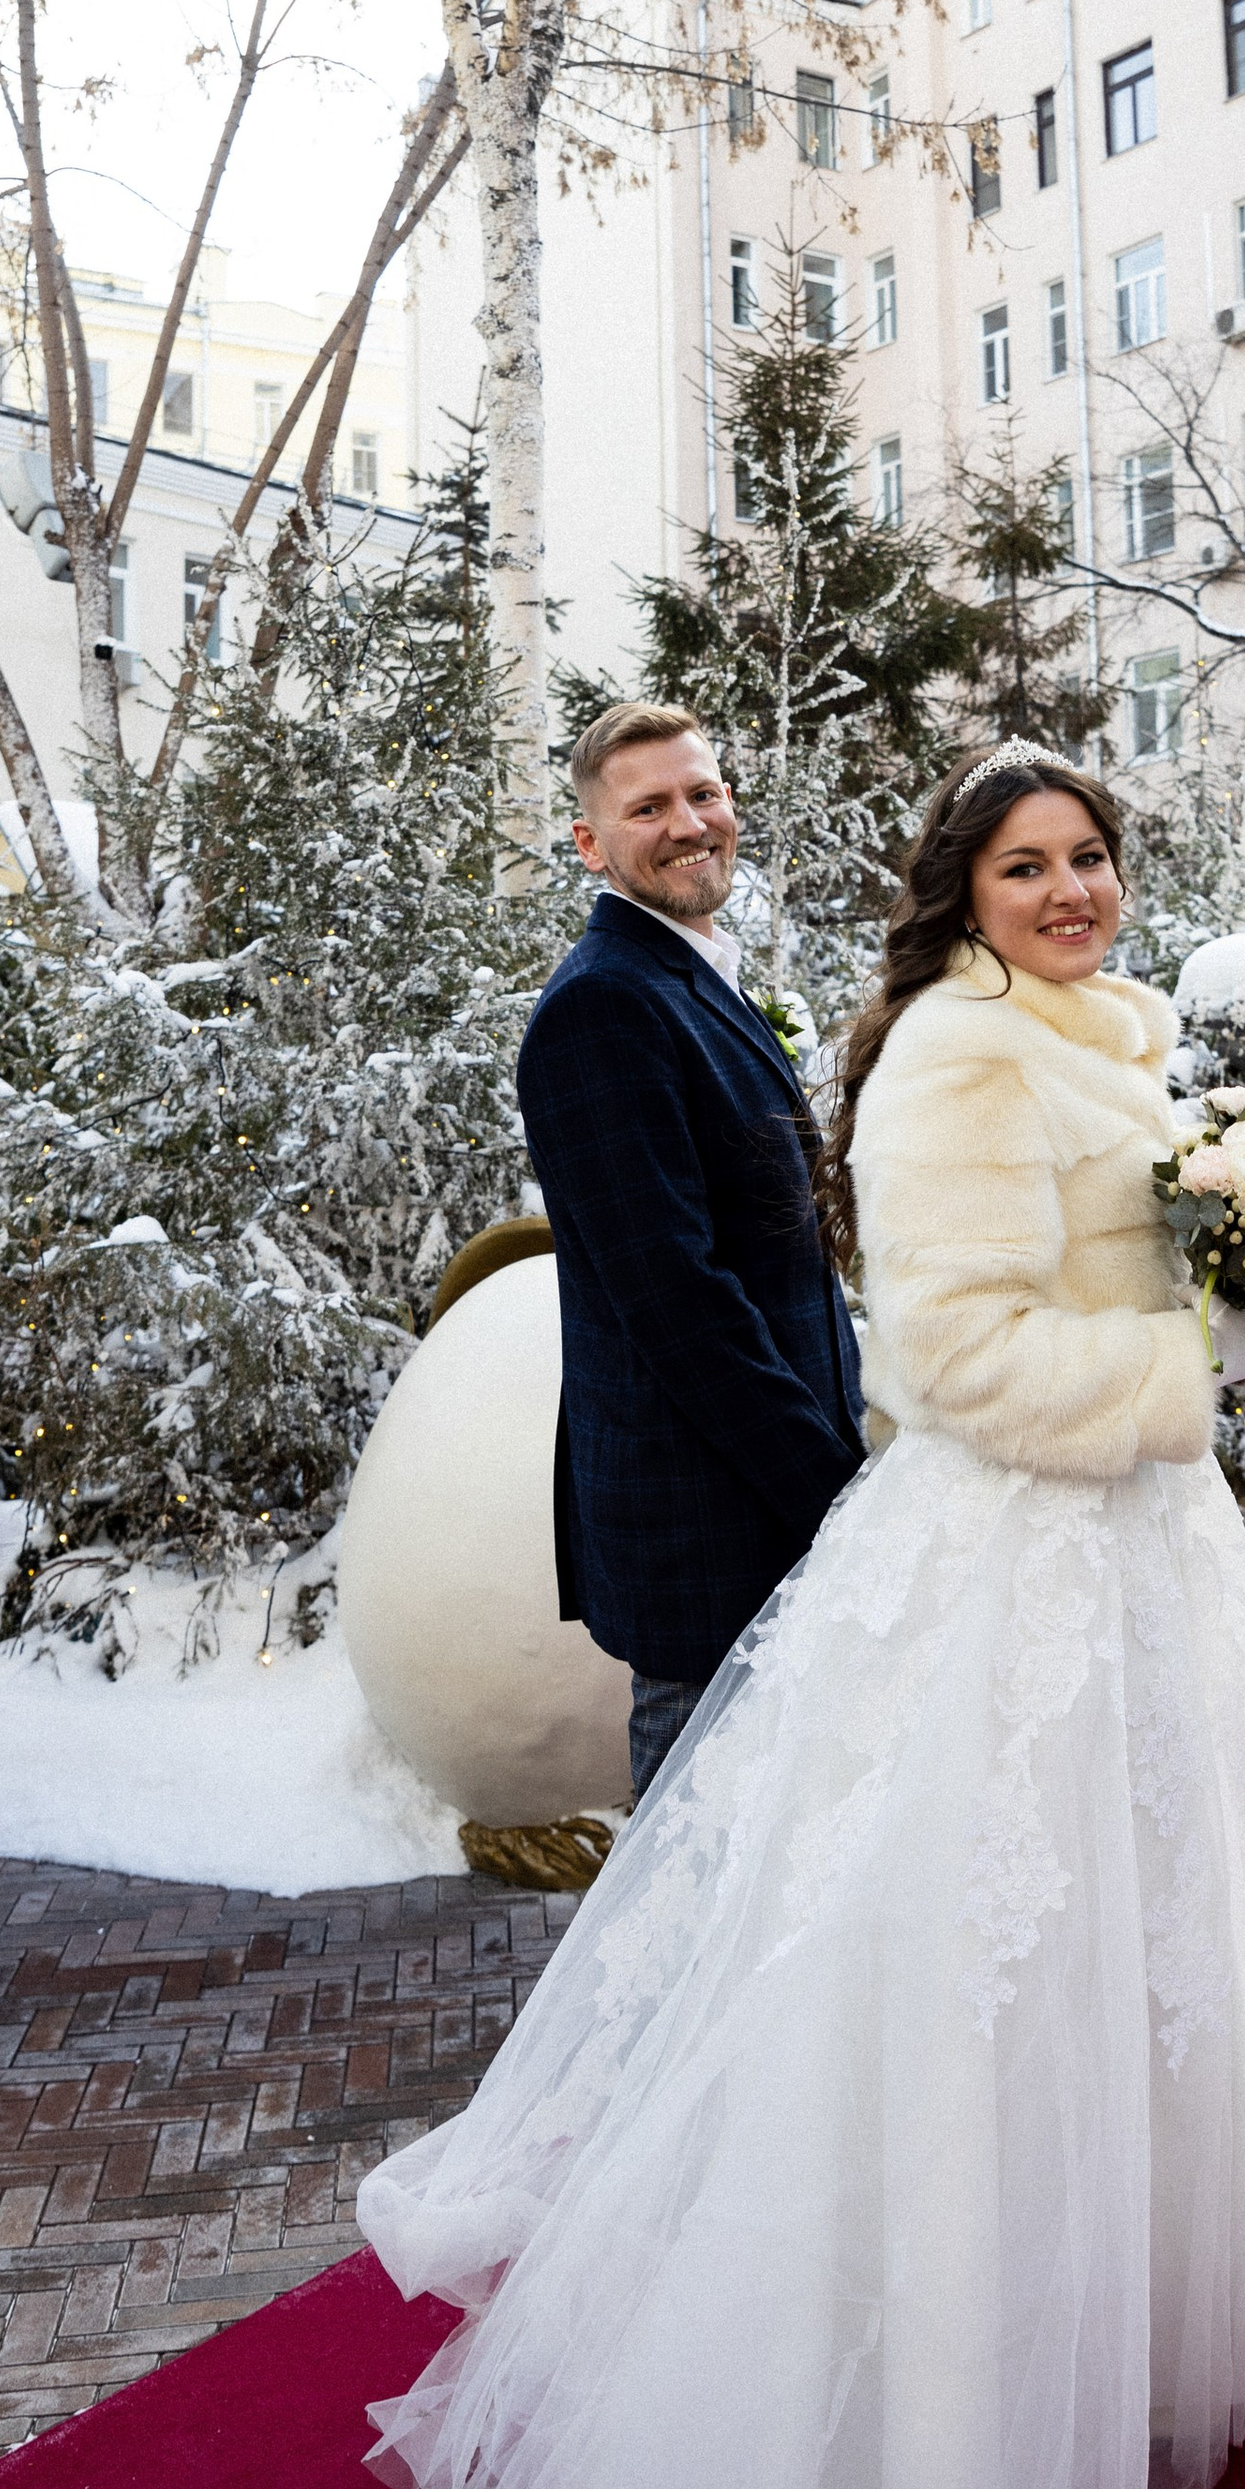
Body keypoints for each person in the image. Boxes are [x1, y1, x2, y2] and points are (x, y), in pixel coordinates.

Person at [359, 744, 1245, 2489]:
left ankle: (1129, 2339)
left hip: (1143, 1569)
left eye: (1090, 857)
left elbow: (1132, 1271)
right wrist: (1183, 1366)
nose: (1069, 890)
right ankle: (932, 2443)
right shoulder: (952, 1056)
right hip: (1013, 1570)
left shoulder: (1124, 1031)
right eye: (1026, 865)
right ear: (963, 892)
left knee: (1148, 1956)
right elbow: (954, 1353)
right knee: (959, 1992)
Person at [517, 701, 866, 1801]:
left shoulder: (690, 973)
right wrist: (836, 1493)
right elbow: (678, 1303)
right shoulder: (602, 1009)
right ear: (591, 843)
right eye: (648, 808)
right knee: (691, 1861)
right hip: (708, 1519)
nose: (687, 824)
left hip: (762, 1496)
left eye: (702, 793)